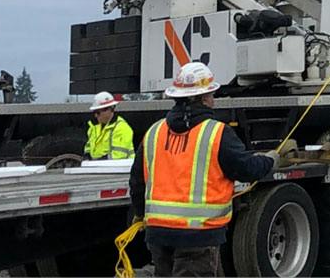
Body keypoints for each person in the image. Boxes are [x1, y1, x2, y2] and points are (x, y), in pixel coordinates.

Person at [130, 62, 285, 277]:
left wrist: (140, 214)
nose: (214, 100)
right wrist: (270, 160)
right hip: (198, 236)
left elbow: (137, 183)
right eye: (212, 94)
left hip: (158, 234)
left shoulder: (154, 133)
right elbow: (247, 169)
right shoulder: (216, 133)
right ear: (204, 98)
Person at [85, 91, 132, 160]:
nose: (95, 116)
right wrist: (86, 157)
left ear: (109, 110)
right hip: (101, 168)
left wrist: (96, 162)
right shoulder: (94, 128)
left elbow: (118, 156)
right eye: (94, 112)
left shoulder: (122, 128)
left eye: (98, 112)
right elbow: (88, 148)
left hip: (120, 169)